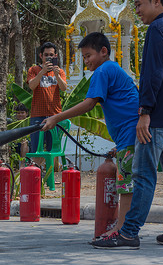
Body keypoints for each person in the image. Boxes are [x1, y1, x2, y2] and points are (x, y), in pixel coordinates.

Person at [92, 0, 163, 249]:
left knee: (144, 174)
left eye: (139, 4)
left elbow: (152, 74)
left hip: (157, 117)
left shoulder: (158, 29)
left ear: (156, 1)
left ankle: (128, 233)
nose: (137, 10)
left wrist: (145, 112)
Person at [41, 32, 139, 238]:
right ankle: (124, 228)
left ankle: (122, 231)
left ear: (104, 51)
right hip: (127, 137)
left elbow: (88, 104)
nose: (86, 62)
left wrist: (56, 118)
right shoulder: (111, 69)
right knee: (127, 183)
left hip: (129, 135)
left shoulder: (103, 70)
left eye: (88, 56)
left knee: (126, 185)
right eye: (83, 57)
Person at [27, 42, 66, 171]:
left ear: (55, 56)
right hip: (37, 115)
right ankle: (36, 175)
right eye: (46, 55)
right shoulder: (33, 70)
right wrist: (42, 71)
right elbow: (32, 86)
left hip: (55, 115)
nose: (48, 57)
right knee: (36, 149)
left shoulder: (59, 71)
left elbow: (64, 88)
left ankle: (51, 179)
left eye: (51, 55)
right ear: (40, 56)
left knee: (53, 149)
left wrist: (56, 74)